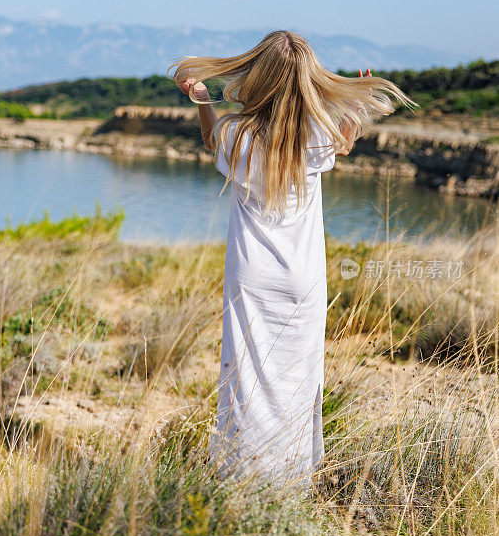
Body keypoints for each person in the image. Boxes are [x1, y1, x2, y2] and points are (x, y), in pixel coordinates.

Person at [169, 30, 415, 489]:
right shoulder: (317, 133)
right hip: (303, 277)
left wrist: (203, 100)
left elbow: (210, 139)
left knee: (245, 376)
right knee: (298, 376)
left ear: (258, 76)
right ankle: (291, 477)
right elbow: (343, 145)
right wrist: (354, 112)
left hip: (251, 276)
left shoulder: (236, 134)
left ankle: (242, 476)